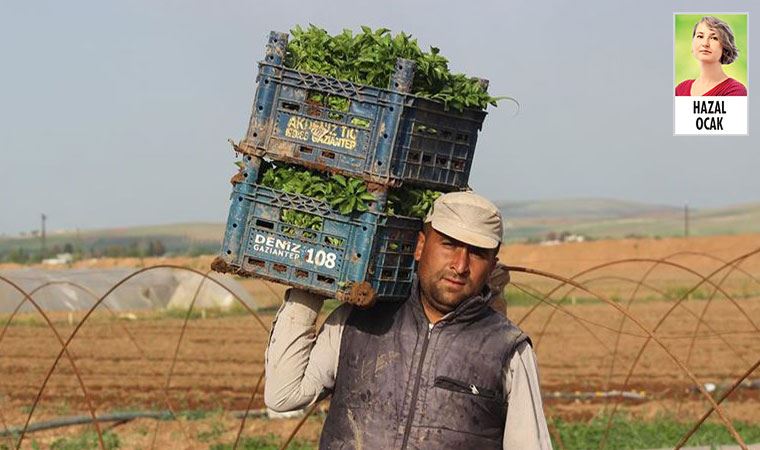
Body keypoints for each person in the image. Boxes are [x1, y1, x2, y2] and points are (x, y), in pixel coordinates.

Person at [264, 191, 551, 449]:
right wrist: (306, 285)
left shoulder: (507, 349)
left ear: (492, 264)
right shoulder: (358, 320)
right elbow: (284, 396)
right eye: (449, 245)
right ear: (420, 246)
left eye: (477, 254)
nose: (460, 265)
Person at [675, 16, 747, 96]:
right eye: (700, 36)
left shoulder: (735, 90)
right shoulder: (680, 89)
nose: (705, 43)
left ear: (725, 46)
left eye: (714, 38)